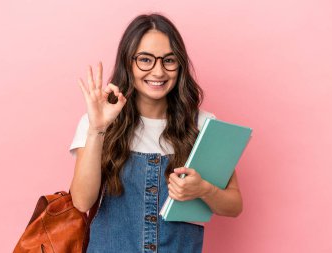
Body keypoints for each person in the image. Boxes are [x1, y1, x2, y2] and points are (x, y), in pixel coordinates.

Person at [69, 13, 243, 253]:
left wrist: (204, 190)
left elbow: (234, 205)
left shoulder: (203, 126)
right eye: (146, 60)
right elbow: (81, 202)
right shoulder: (98, 121)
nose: (158, 71)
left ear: (179, 64)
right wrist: (97, 129)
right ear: (128, 62)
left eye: (169, 60)